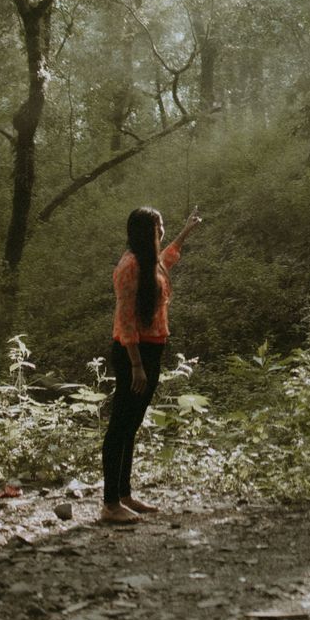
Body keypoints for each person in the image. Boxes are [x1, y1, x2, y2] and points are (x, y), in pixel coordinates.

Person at [100, 205, 202, 525]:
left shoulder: (149, 261)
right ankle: (109, 502)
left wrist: (185, 233)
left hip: (152, 351)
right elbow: (125, 319)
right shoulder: (129, 265)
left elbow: (166, 260)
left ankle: (125, 494)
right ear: (145, 230)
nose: (162, 230)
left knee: (131, 424)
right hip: (135, 354)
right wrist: (136, 365)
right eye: (159, 226)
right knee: (120, 425)